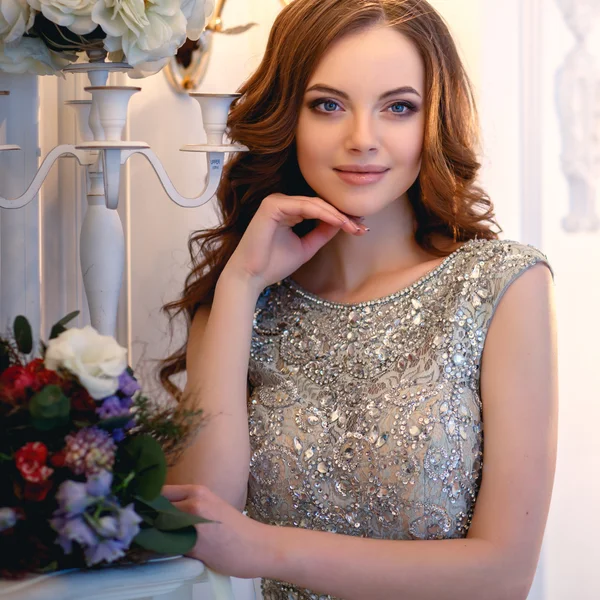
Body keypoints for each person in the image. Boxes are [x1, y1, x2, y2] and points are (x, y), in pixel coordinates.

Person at [160, 1, 558, 598]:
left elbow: (502, 576)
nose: (362, 139)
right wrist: (240, 286)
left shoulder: (502, 285)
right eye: (328, 105)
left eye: (398, 107)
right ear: (288, 116)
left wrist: (262, 547)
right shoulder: (240, 299)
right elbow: (197, 524)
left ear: (434, 120)